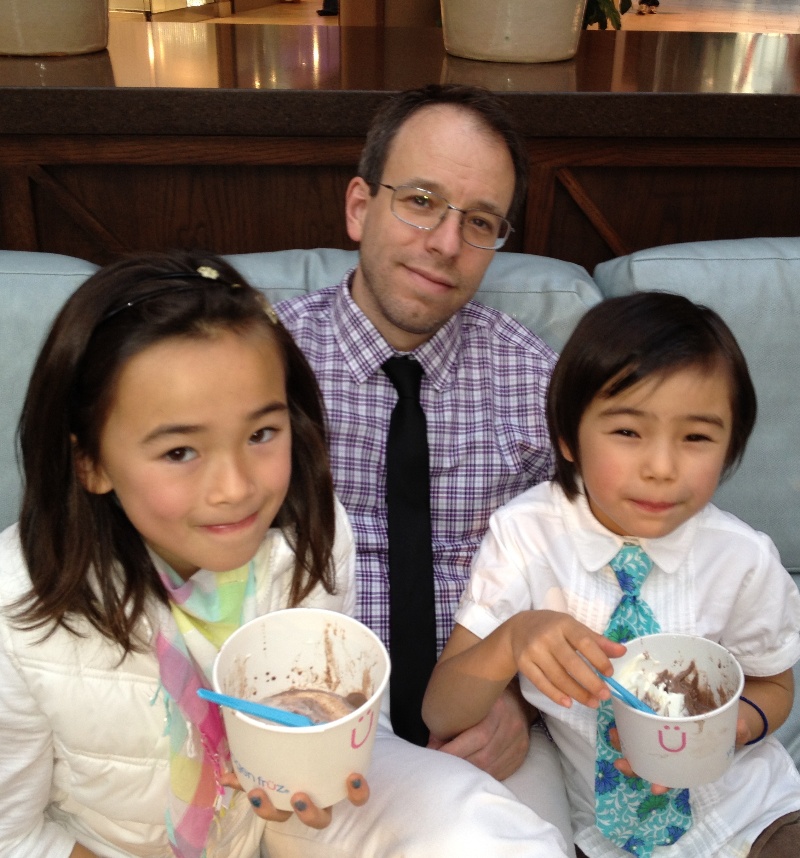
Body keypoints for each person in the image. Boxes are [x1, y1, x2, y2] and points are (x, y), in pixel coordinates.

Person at [0, 250, 567, 858]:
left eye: (261, 434)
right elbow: (15, 832)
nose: (237, 488)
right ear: (90, 462)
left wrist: (317, 773)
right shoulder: (17, 613)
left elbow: (331, 738)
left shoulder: (313, 538)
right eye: (180, 452)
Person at [276, 83, 572, 846]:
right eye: (420, 200)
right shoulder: (261, 367)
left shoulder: (539, 384)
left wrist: (524, 703)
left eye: (479, 222)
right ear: (358, 206)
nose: (446, 242)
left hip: (481, 735)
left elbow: (584, 569)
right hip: (299, 726)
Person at [423, 291, 800, 857]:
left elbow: (776, 686)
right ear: (569, 437)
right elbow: (441, 709)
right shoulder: (526, 537)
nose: (662, 467)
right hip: (603, 837)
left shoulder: (742, 559)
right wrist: (512, 638)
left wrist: (736, 727)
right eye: (628, 432)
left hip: (751, 816)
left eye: (697, 437)